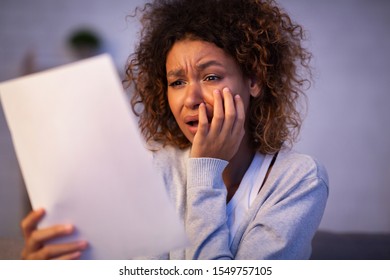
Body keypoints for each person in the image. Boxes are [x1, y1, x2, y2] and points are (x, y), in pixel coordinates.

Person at [20, 0, 328, 259]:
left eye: (210, 77)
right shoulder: (151, 167)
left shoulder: (298, 179)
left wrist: (206, 169)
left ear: (254, 80)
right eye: (177, 82)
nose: (191, 99)